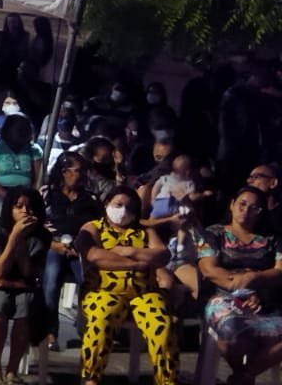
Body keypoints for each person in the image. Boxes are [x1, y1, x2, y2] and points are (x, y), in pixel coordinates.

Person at [75, 186, 177, 385]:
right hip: (104, 291)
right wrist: (138, 263)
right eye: (118, 205)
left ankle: (167, 381)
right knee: (100, 321)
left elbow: (163, 255)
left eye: (129, 208)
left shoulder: (145, 231)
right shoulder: (93, 227)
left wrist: (127, 251)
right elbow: (95, 256)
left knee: (162, 327)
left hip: (145, 293)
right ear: (107, 204)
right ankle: (90, 379)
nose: (123, 211)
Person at [196, 186, 282, 385]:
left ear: (261, 212)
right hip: (223, 296)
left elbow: (279, 270)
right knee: (232, 337)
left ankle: (243, 376)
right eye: (242, 204)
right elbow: (209, 270)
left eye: (254, 208)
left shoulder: (273, 238)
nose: (246, 210)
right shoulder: (213, 234)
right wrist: (244, 289)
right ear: (232, 204)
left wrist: (255, 278)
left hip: (265, 300)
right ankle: (245, 376)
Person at [0, 186, 52, 385]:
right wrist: (14, 237)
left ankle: (12, 371)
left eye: (29, 207)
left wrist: (22, 241)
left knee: (26, 305)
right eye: (19, 206)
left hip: (25, 284)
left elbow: (28, 273)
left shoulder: (43, 235)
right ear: (10, 208)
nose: (25, 211)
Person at [42, 152, 104, 345]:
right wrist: (53, 243)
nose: (81, 174)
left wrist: (81, 244)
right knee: (51, 279)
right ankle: (49, 331)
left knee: (88, 280)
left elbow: (99, 226)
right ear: (64, 172)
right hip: (53, 245)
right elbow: (35, 225)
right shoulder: (46, 195)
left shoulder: (91, 199)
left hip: (80, 248)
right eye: (77, 170)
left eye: (82, 170)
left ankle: (85, 328)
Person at [0, 113, 43, 203]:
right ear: (8, 130)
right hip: (0, 194)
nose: (21, 133)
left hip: (26, 194)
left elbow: (39, 178)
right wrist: (7, 196)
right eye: (18, 130)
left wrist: (30, 196)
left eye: (23, 129)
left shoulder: (34, 150)